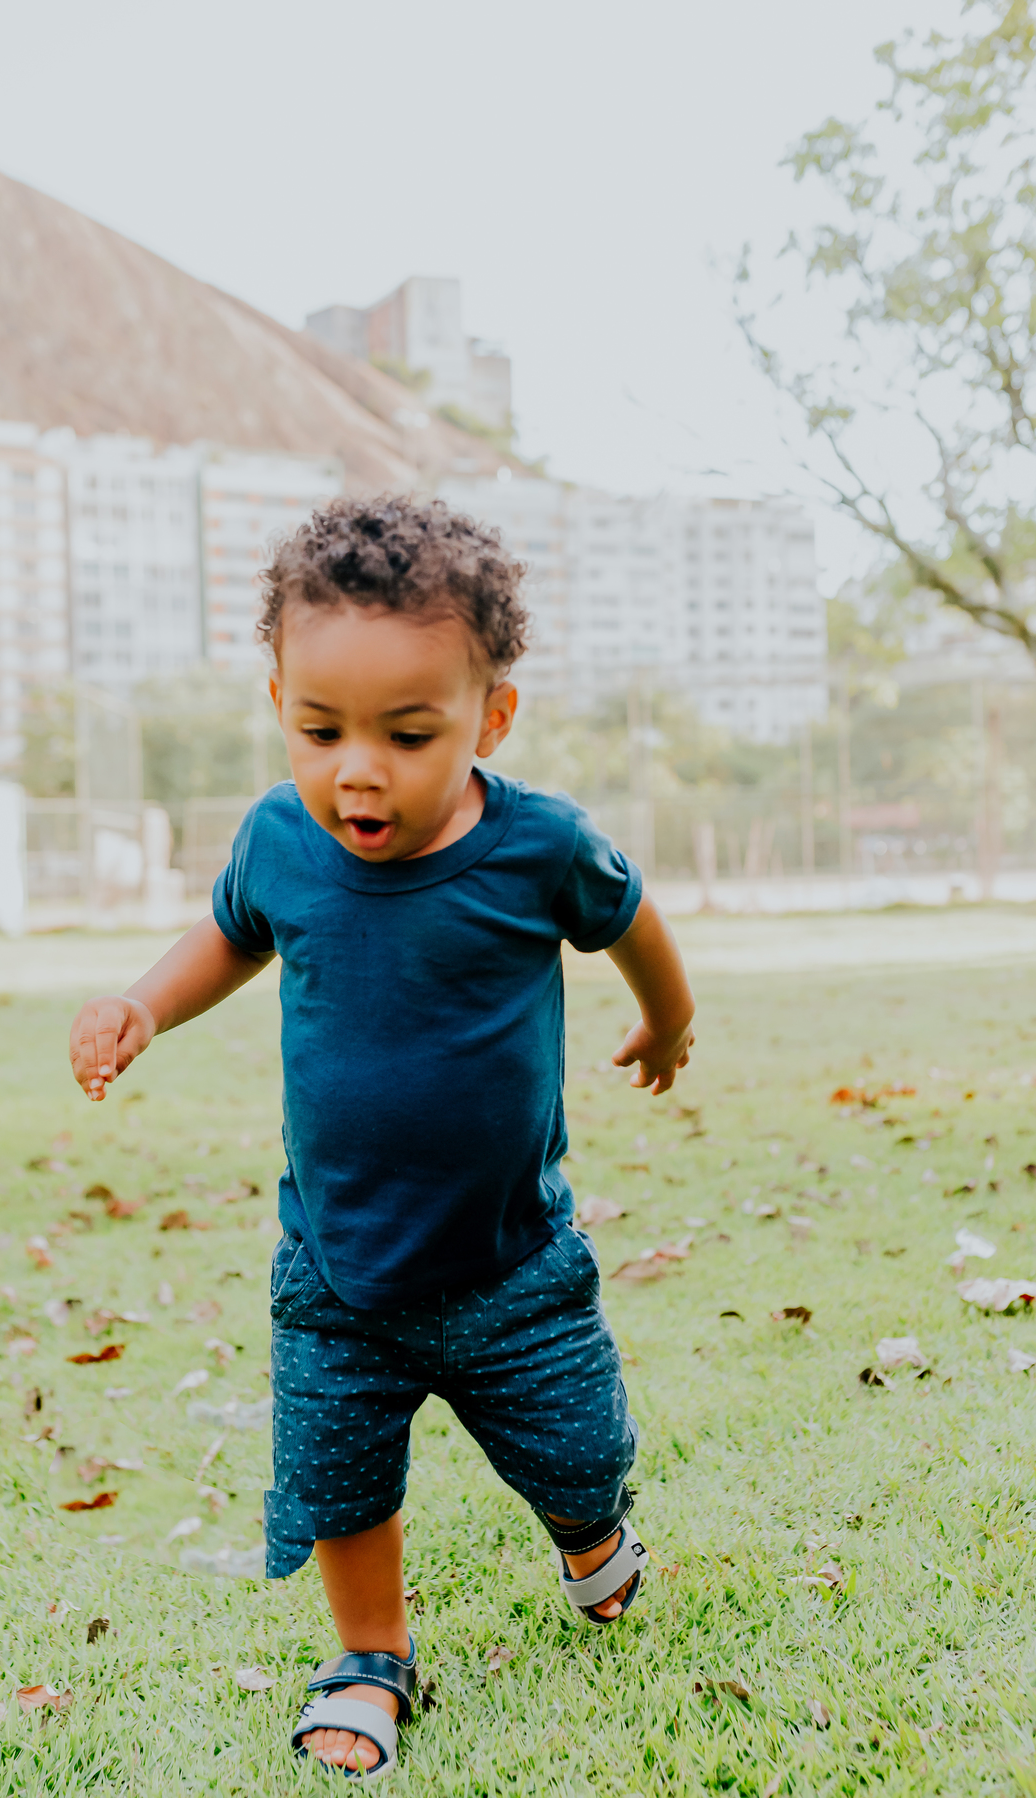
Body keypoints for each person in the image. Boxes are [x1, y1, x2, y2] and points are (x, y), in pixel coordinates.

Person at [68, 496, 695, 1781]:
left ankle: (590, 1533)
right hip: (338, 1268)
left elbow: (632, 918)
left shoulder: (539, 847)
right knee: (340, 1475)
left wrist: (668, 1022)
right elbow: (230, 936)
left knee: (580, 1454)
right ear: (280, 699)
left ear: (490, 717)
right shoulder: (280, 839)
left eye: (409, 734)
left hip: (516, 1264)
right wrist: (143, 1003)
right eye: (319, 728)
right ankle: (369, 1657)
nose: (359, 767)